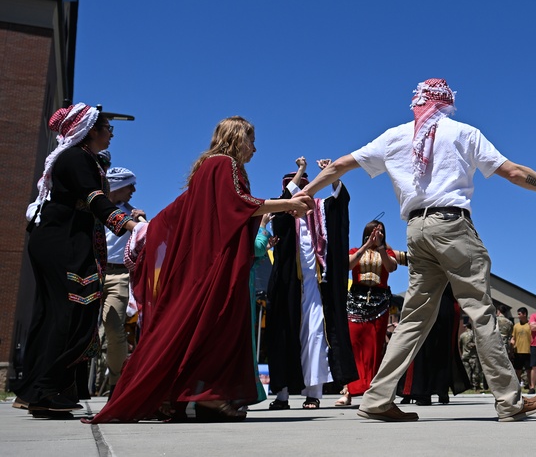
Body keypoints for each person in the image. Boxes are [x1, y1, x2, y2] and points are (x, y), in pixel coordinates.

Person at [296, 78, 536, 422]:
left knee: (414, 318)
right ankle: (509, 400)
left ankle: (376, 398)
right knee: (480, 311)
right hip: (451, 226)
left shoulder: (395, 137)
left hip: (415, 230)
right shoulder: (463, 133)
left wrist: (306, 193)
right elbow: (514, 172)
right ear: (447, 103)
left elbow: (339, 165)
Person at [90, 116, 313, 423]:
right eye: (251, 140)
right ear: (236, 138)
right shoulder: (224, 164)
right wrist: (287, 205)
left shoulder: (207, 166)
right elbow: (238, 204)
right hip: (218, 262)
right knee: (217, 324)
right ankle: (208, 398)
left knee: (195, 326)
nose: (255, 148)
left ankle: (176, 395)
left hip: (209, 260)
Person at [14, 105, 141, 417]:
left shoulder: (83, 159)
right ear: (90, 130)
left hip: (63, 241)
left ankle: (35, 390)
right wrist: (134, 227)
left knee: (55, 313)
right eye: (107, 127)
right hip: (62, 244)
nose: (111, 132)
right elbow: (94, 199)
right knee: (68, 313)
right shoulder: (77, 157)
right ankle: (44, 389)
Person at [266, 159, 339, 410]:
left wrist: (329, 176)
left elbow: (340, 203)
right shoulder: (282, 218)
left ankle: (313, 393)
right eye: (295, 191)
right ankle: (283, 395)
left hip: (314, 288)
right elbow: (285, 198)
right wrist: (299, 172)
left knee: (315, 337)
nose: (300, 196)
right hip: (287, 287)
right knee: (283, 337)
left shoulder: (321, 215)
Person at [341, 217, 402, 406]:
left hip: (379, 300)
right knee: (354, 344)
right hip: (356, 300)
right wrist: (366, 245)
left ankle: (371, 390)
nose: (378, 234)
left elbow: (391, 267)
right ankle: (348, 389)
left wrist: (381, 247)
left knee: (375, 346)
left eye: (381, 231)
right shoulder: (354, 251)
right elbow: (347, 265)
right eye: (375, 231)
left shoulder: (388, 252)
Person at [102, 166, 146, 398]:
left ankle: (116, 384)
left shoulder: (133, 215)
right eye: (130, 185)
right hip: (92, 272)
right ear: (117, 186)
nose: (133, 190)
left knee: (114, 327)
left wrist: (140, 219)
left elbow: (145, 238)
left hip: (119, 275)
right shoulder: (94, 208)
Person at [511, 307, 532, 387]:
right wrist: (512, 350)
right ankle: (517, 386)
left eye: (519, 314)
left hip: (528, 351)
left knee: (529, 370)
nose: (518, 316)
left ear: (524, 314)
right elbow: (513, 338)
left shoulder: (530, 325)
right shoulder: (516, 326)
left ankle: (531, 385)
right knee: (518, 370)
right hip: (518, 351)